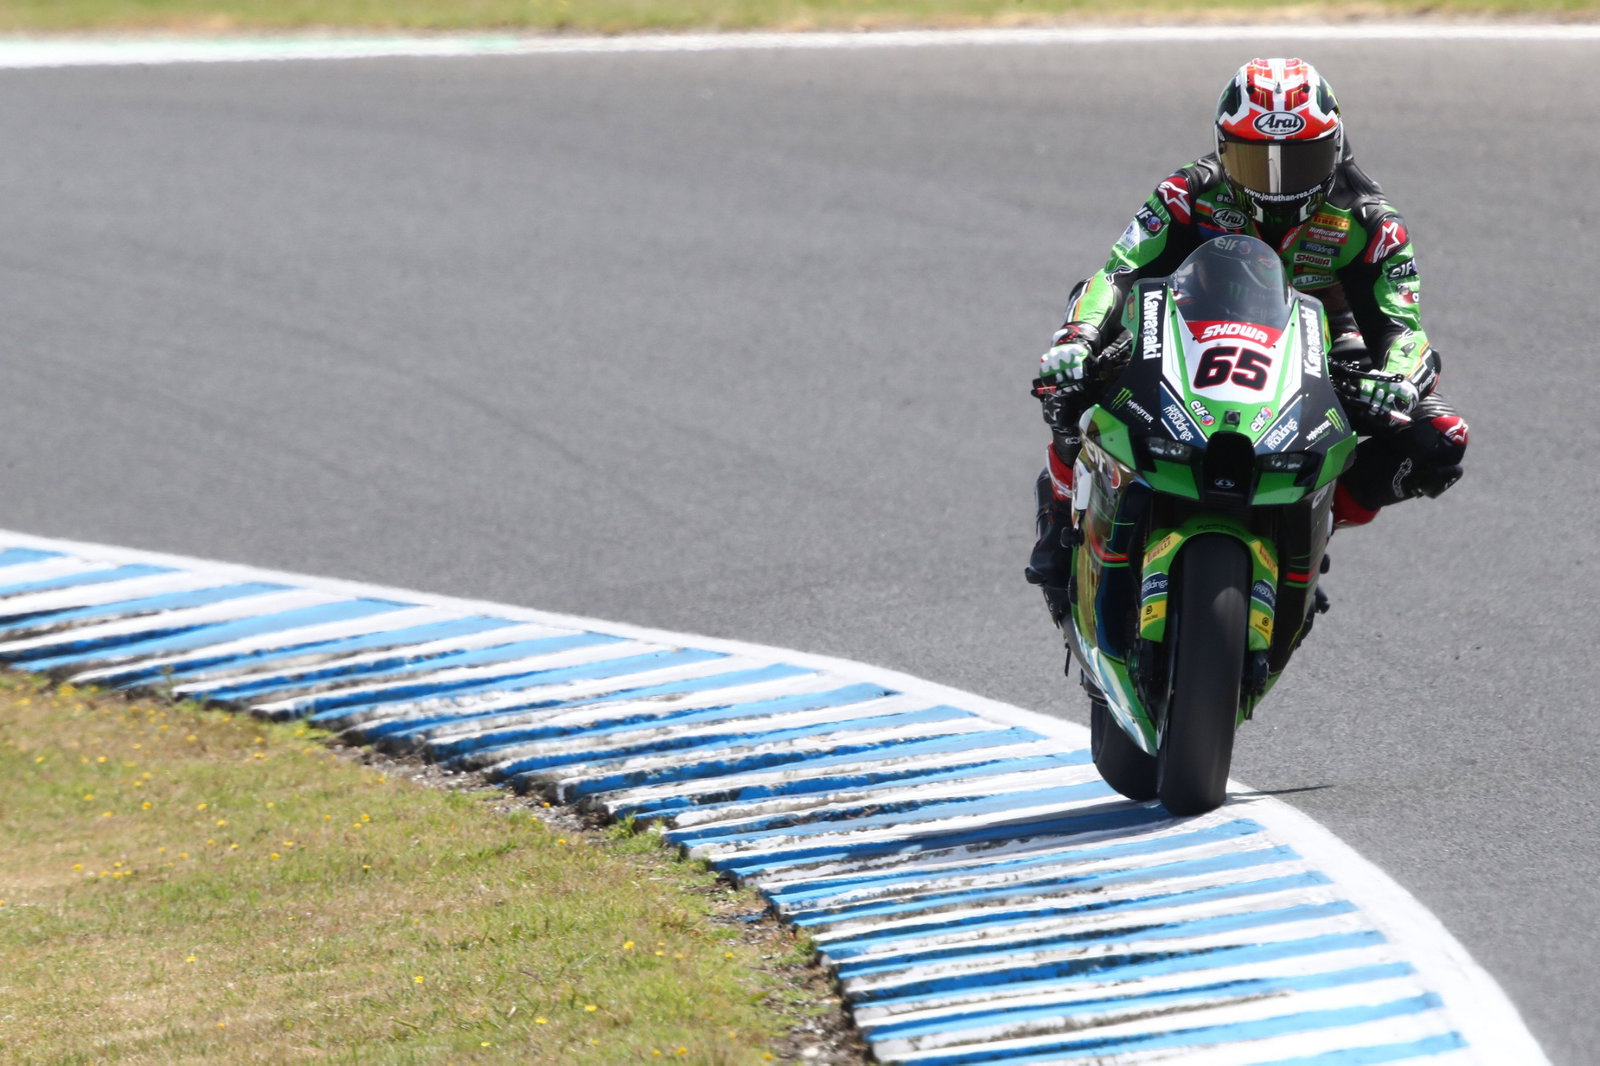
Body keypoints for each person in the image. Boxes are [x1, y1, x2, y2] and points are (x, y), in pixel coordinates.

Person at [1025, 57, 1468, 613]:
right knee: (1070, 374)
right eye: (1257, 163)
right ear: (1222, 147)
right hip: (1186, 326)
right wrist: (1078, 337)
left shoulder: (1372, 221)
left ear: (1334, 149)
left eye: (1300, 160)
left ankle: (1311, 527)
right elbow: (1117, 272)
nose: (1278, 184)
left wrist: (1399, 380)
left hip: (1322, 348)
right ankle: (1059, 506)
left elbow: (1404, 327)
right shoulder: (1188, 190)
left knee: (1440, 438)